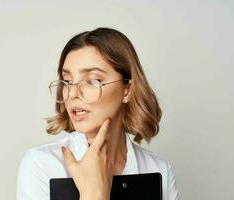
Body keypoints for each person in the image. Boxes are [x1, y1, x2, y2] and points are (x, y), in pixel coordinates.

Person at [16, 27, 179, 200]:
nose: (72, 93)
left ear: (127, 90)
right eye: (68, 81)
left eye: (92, 81)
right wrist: (93, 194)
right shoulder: (42, 165)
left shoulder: (158, 169)